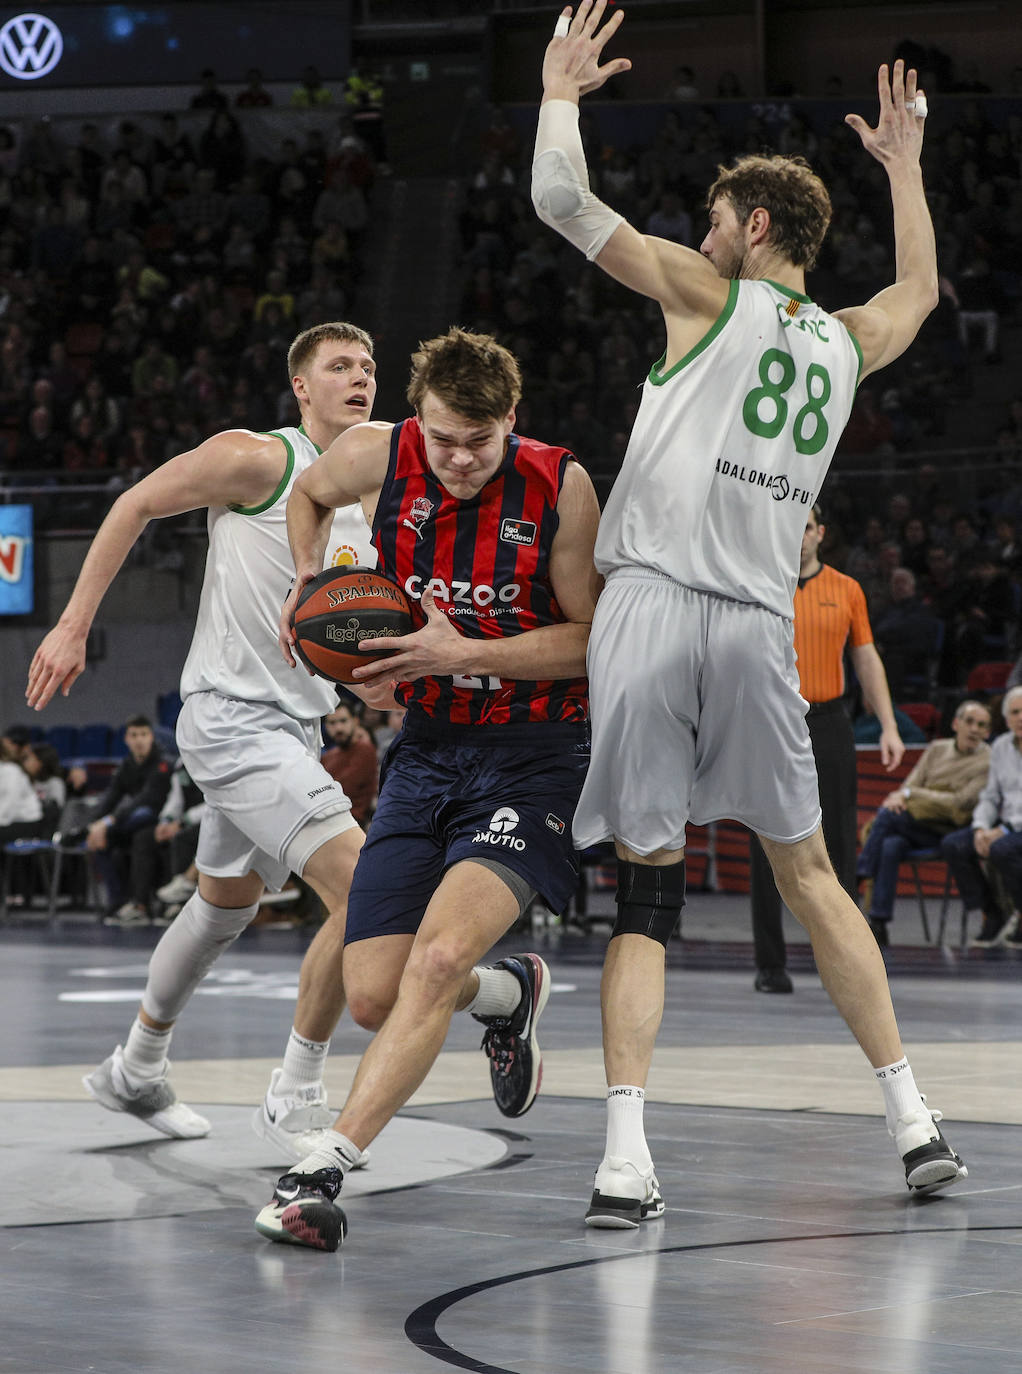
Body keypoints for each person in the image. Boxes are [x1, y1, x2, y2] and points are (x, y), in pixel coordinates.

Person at [531, 1, 965, 1226]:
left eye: (715, 220)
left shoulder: (701, 298)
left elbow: (563, 205)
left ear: (753, 224)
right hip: (757, 623)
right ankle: (913, 1123)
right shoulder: (838, 340)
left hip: (657, 610)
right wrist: (905, 170)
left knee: (648, 889)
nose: (700, 234)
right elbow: (922, 291)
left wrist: (561, 90)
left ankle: (623, 1157)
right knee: (812, 872)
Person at [253, 327, 601, 1251]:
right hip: (428, 746)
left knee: (434, 962)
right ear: (420, 420)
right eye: (444, 438)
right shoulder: (377, 452)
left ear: (510, 425)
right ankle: (508, 996)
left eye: (478, 443)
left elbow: (590, 639)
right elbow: (309, 490)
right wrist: (307, 581)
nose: (458, 459)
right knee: (374, 995)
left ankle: (322, 1168)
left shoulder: (558, 485)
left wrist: (464, 651)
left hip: (534, 754)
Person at [27, 323, 389, 1147]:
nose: (360, 377)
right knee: (364, 887)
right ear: (302, 386)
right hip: (230, 718)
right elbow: (135, 503)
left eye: (368, 366)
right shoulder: (261, 459)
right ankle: (298, 1089)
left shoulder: (376, 491)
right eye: (339, 366)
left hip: (295, 728)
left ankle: (136, 1068)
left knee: (225, 906)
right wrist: (74, 625)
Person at [749, 504, 905, 993]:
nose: (798, 537)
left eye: (807, 528)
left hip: (830, 720)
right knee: (766, 845)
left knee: (838, 840)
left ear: (821, 534)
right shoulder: (758, 584)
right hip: (772, 721)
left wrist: (889, 725)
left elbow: (866, 657)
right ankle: (770, 965)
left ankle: (846, 960)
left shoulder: (848, 589)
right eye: (790, 528)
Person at [857, 700, 992, 943]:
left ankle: (861, 870)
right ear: (955, 723)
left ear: (987, 733)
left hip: (948, 830)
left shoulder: (987, 760)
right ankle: (879, 923)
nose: (974, 729)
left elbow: (960, 802)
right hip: (915, 824)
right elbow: (909, 785)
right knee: (890, 846)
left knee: (888, 816)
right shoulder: (937, 749)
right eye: (969, 722)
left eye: (981, 725)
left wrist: (914, 795)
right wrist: (909, 794)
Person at [941, 685, 1022, 947]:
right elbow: (990, 796)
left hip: (1014, 828)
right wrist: (979, 828)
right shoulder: (1000, 747)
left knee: (1002, 849)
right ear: (1006, 718)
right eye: (1015, 712)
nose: (1020, 717)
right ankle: (992, 912)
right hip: (1004, 825)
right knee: (955, 844)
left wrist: (1005, 830)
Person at [85, 715, 172, 927]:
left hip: (159, 822)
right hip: (130, 822)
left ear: (151, 737)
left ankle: (140, 905)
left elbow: (147, 800)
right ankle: (118, 902)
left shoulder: (162, 764)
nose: (139, 740)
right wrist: (94, 825)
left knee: (142, 837)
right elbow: (111, 797)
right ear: (126, 739)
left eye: (143, 734)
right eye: (134, 735)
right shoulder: (126, 766)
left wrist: (108, 823)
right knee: (100, 844)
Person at [319, 703, 378, 827]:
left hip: (354, 824)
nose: (338, 728)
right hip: (327, 822)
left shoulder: (365, 749)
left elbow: (345, 788)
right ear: (326, 727)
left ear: (355, 721)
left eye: (343, 721)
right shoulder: (327, 757)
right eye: (332, 723)